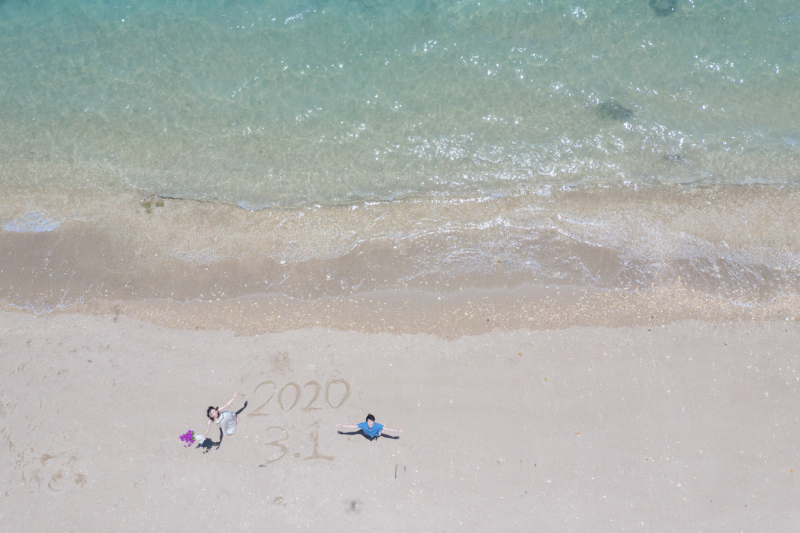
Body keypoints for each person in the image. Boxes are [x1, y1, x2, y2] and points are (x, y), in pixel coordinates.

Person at [336, 414, 403, 440]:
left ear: (374, 421)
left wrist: (397, 431)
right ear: (366, 421)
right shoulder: (363, 425)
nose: (370, 423)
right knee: (362, 432)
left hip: (375, 433)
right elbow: (353, 426)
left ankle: (379, 433)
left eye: (371, 421)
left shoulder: (377, 425)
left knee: (380, 432)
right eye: (368, 421)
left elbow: (387, 428)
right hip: (367, 434)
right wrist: (342, 425)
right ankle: (367, 433)